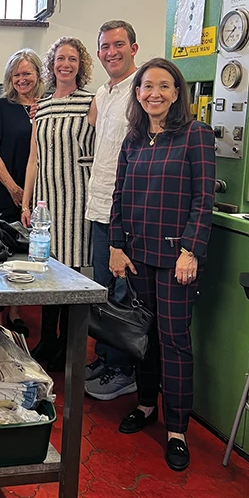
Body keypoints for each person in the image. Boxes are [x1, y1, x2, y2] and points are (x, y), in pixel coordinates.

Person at [109, 57, 215, 472]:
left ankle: (177, 430)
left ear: (177, 93)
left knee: (173, 341)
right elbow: (119, 197)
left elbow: (203, 199)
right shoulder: (133, 139)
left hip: (175, 261)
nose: (154, 93)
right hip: (137, 256)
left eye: (164, 86)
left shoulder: (195, 135)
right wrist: (116, 246)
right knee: (144, 337)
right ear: (138, 94)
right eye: (147, 86)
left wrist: (191, 250)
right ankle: (146, 404)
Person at [21, 38, 95, 366]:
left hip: (78, 199)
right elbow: (33, 159)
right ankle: (47, 340)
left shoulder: (92, 102)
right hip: (46, 203)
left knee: (72, 274)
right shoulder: (43, 106)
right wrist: (26, 203)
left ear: (81, 65)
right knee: (47, 272)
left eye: (73, 59)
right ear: (52, 65)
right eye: (60, 58)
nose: (66, 64)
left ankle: (68, 346)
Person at [84, 20, 140, 400]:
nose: (112, 52)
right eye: (105, 46)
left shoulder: (141, 89)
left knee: (123, 293)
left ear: (134, 48)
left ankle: (124, 370)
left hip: (129, 211)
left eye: (119, 44)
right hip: (99, 205)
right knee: (102, 290)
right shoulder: (104, 93)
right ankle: (106, 358)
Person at [0, 49, 44, 335]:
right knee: (0, 254)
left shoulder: (46, 106)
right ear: (9, 78)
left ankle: (17, 310)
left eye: (27, 73)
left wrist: (29, 195)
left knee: (25, 253)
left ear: (38, 75)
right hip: (3, 191)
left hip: (38, 194)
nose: (22, 79)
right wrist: (13, 188)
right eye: (16, 74)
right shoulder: (1, 107)